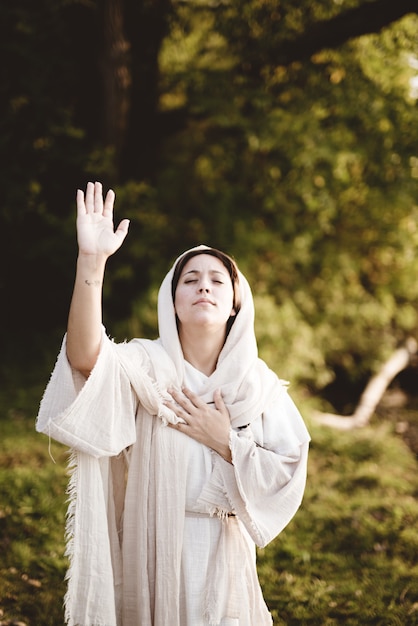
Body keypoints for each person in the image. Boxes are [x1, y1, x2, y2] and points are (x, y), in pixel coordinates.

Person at [37, 181, 310, 626]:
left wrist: (227, 442)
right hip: (152, 548)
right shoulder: (146, 364)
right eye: (190, 279)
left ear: (236, 303)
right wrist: (91, 262)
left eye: (217, 279)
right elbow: (86, 358)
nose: (204, 286)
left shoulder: (257, 386)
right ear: (173, 300)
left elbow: (287, 474)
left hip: (224, 557)